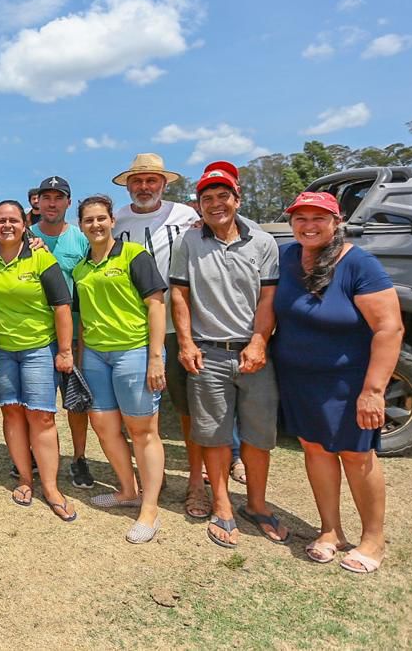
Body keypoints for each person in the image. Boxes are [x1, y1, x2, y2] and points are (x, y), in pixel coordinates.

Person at [273, 192, 401, 573]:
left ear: (336, 221)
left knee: (357, 454)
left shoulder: (359, 264)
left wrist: (374, 391)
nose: (308, 225)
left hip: (348, 382)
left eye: (319, 218)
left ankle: (373, 539)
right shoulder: (287, 257)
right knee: (315, 451)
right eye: (301, 218)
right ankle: (331, 531)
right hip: (299, 379)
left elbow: (389, 328)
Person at [169, 164, 289, 549]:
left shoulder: (263, 242)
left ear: (237, 199)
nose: (216, 204)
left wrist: (259, 342)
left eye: (223, 196)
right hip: (207, 353)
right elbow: (180, 295)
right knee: (213, 435)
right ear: (198, 205)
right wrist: (186, 343)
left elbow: (268, 297)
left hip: (253, 352)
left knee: (258, 436)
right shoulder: (189, 242)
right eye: (207, 199)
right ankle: (222, 504)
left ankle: (256, 503)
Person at [111, 153, 207, 517]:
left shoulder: (186, 217)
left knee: (188, 410)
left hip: (179, 326)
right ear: (128, 185)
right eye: (137, 181)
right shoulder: (117, 219)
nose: (144, 187)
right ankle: (151, 477)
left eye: (151, 180)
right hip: (132, 329)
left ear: (164, 184)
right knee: (136, 413)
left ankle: (196, 484)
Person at [73, 196, 167, 543]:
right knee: (103, 424)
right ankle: (128, 491)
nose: (95, 225)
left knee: (142, 430)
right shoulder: (80, 267)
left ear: (113, 221)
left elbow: (156, 306)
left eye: (101, 218)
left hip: (134, 351)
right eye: (88, 220)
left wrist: (155, 357)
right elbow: (82, 318)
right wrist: (81, 358)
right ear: (81, 225)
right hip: (96, 355)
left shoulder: (134, 256)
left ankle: (150, 509)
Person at [0, 200, 76, 521]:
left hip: (38, 349)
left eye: (13, 220)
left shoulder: (41, 257)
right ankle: (24, 479)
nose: (7, 225)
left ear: (24, 225)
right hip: (0, 350)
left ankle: (51, 487)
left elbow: (62, 305)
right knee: (12, 412)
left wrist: (64, 350)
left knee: (42, 416)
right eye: (1, 220)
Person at [31, 176, 94, 489]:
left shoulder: (81, 239)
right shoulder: (25, 235)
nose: (52, 203)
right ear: (37, 202)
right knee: (38, 402)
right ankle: (37, 455)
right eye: (46, 198)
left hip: (75, 331)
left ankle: (79, 458)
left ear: (69, 202)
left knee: (75, 401)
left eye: (59, 197)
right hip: (37, 332)